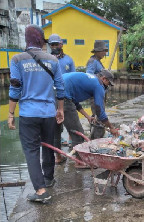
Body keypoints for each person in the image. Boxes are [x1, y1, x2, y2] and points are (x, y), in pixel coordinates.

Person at [7, 24, 64, 203]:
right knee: (48, 146)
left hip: (28, 113)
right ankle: (48, 179)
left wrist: (10, 114)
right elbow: (60, 87)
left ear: (27, 39)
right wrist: (60, 109)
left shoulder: (17, 59)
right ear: (41, 40)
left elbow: (15, 88)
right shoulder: (53, 60)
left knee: (31, 151)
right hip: (48, 113)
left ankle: (40, 191)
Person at [53, 69, 119, 168]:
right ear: (104, 79)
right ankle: (79, 162)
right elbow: (100, 111)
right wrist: (111, 127)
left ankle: (58, 158)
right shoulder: (98, 85)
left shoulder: (89, 78)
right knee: (78, 132)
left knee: (56, 129)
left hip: (51, 96)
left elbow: (74, 102)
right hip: (64, 98)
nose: (107, 86)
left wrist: (87, 116)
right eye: (108, 84)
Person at [48, 33, 75, 163]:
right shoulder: (46, 60)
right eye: (51, 45)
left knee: (72, 125)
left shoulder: (68, 60)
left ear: (61, 44)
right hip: (51, 98)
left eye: (56, 44)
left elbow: (73, 78)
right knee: (56, 128)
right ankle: (58, 156)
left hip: (66, 97)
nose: (54, 47)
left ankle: (75, 152)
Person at [86, 40, 109, 117]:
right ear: (97, 51)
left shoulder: (98, 61)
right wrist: (99, 77)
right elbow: (89, 76)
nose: (105, 53)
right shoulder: (92, 61)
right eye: (103, 51)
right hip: (96, 93)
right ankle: (95, 128)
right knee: (97, 114)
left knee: (101, 113)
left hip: (101, 92)